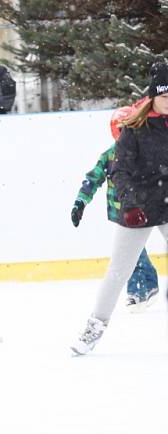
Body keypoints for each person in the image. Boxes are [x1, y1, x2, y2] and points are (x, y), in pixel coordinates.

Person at [71, 62, 168, 356]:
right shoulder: (134, 129)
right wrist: (130, 205)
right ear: (153, 97)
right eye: (166, 96)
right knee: (119, 271)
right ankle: (94, 327)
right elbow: (120, 171)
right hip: (139, 205)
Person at [70, 105, 159, 310]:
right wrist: (80, 203)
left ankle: (138, 290)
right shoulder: (110, 155)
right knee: (134, 251)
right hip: (120, 213)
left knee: (131, 253)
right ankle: (148, 285)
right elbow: (92, 179)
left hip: (143, 210)